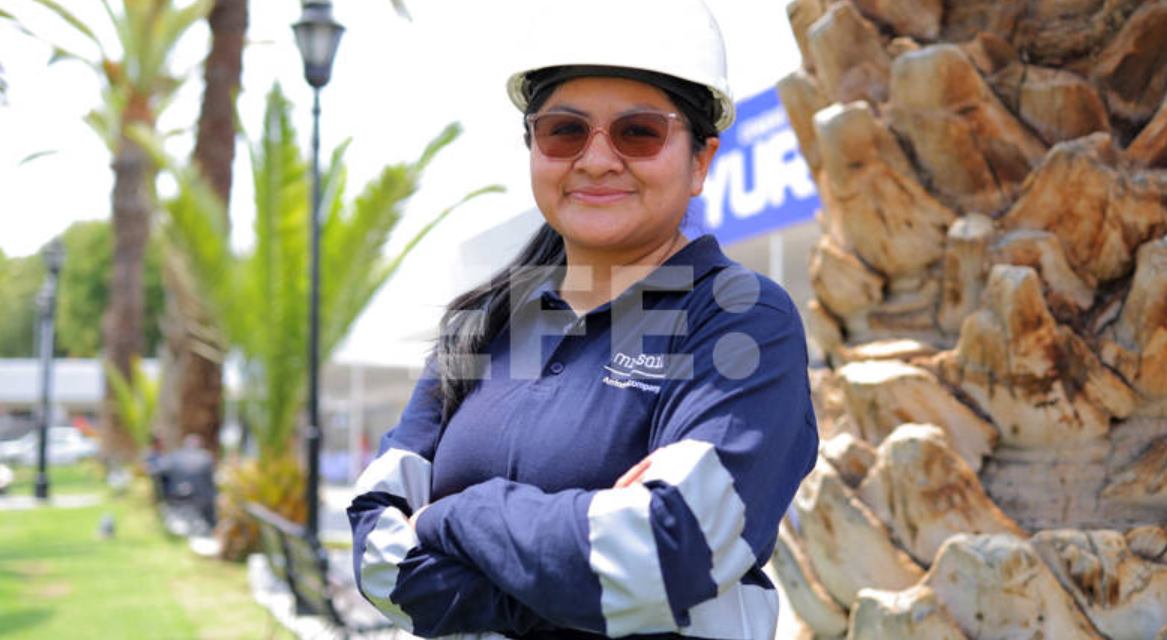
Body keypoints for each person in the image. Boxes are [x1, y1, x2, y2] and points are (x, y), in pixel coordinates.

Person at [348, 1, 819, 637]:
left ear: (701, 161)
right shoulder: (478, 328)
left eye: (639, 132)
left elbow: (664, 555)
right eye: (565, 130)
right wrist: (570, 571)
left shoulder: (742, 321)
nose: (596, 160)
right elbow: (374, 542)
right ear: (534, 148)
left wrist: (454, 516)